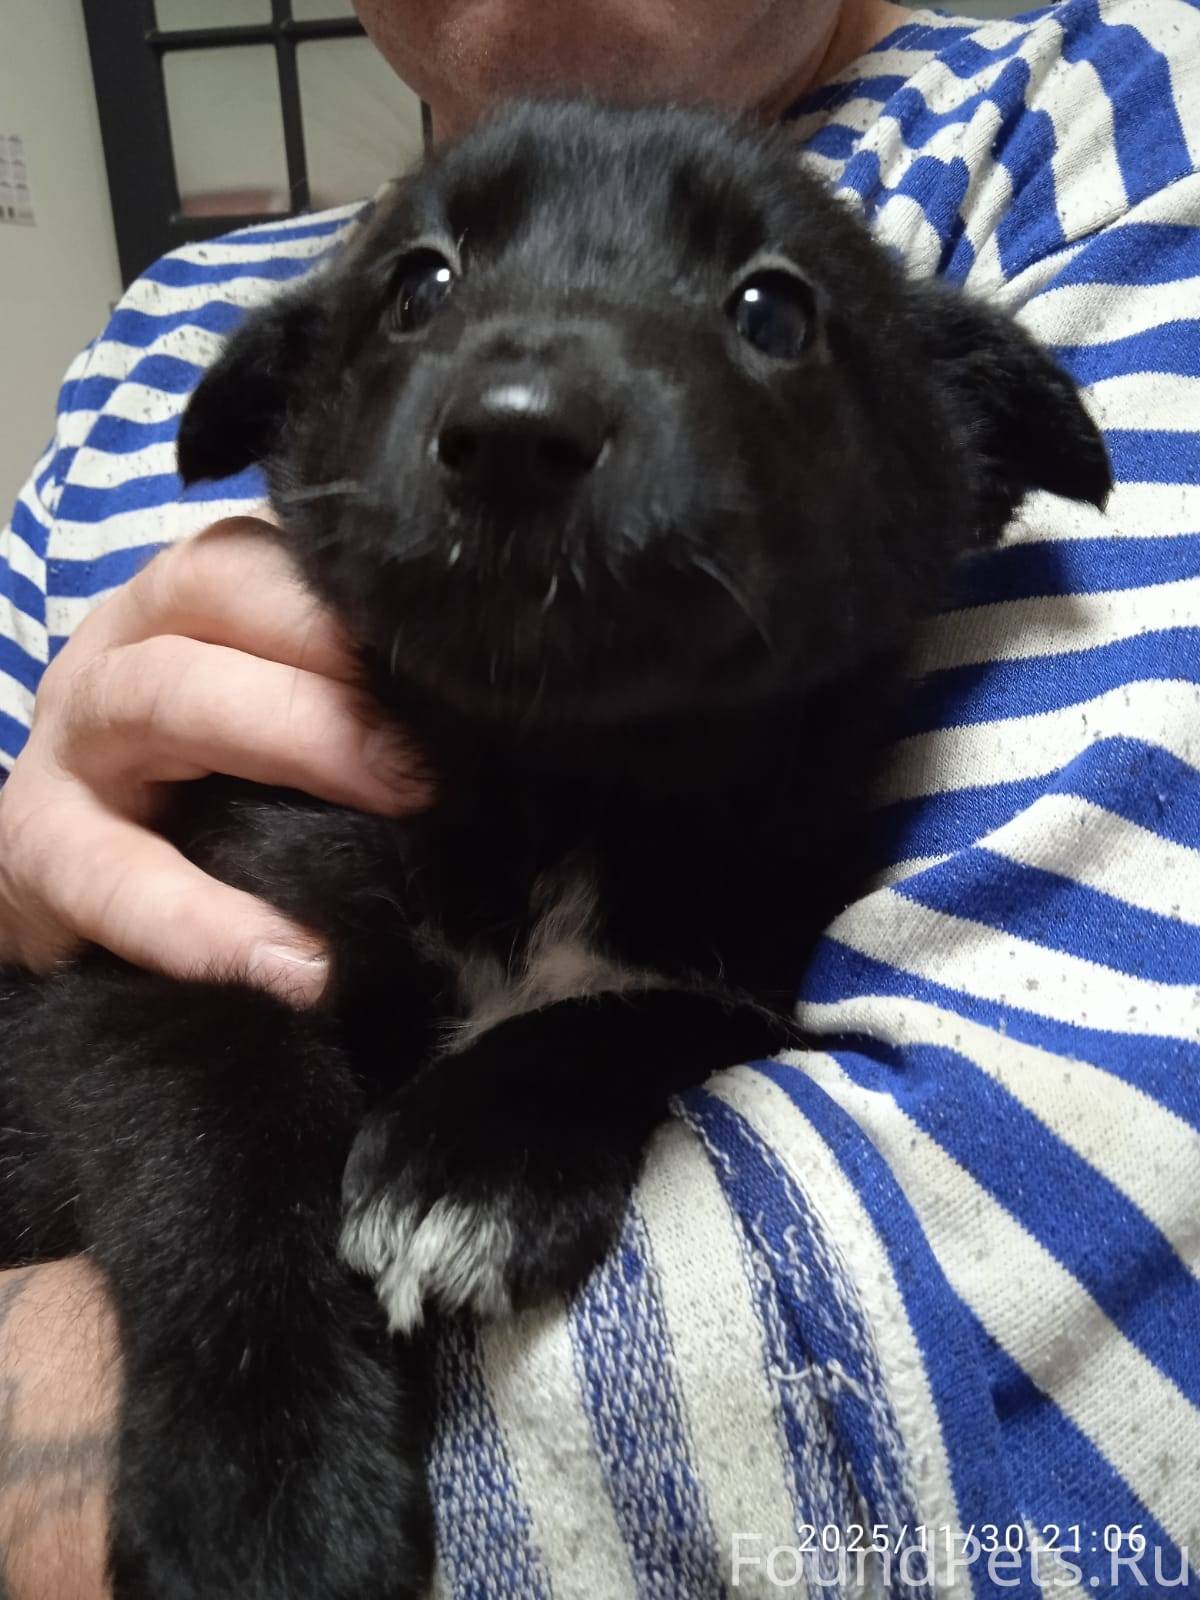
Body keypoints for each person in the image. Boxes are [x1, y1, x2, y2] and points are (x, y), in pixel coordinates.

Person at [1, 0, 1198, 1593]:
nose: (524, 401)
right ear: (291, 428)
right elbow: (151, 1028)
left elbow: (1024, 1348)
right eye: (422, 293)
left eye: (769, 315)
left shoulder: (1113, 142)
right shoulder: (135, 360)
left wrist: (624, 1056)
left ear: (957, 458)